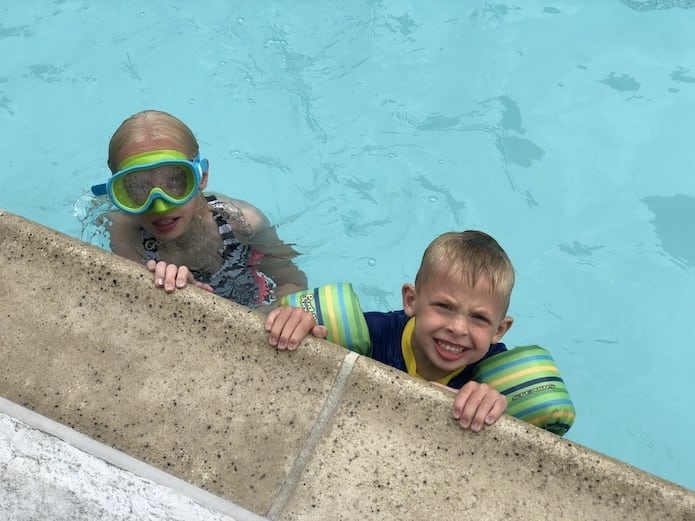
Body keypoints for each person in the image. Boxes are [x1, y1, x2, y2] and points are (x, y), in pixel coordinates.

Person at [265, 230, 515, 432]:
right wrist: (297, 324)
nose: (458, 328)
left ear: (499, 330)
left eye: (479, 318)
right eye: (444, 306)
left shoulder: (496, 374)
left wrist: (494, 404)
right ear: (411, 301)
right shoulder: (373, 334)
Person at [91, 109, 309, 315]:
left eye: (175, 181)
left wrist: (277, 313)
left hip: (251, 304)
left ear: (202, 177)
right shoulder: (124, 232)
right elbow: (134, 303)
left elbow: (292, 282)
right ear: (118, 195)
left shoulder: (243, 223)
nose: (159, 205)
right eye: (137, 187)